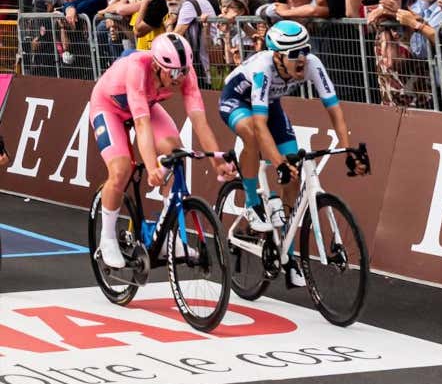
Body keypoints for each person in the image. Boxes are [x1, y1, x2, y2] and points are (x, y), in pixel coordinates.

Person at [217, 21, 367, 287]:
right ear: (277, 56)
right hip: (237, 100)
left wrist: (348, 149)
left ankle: (285, 251)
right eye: (294, 54)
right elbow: (260, 125)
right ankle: (252, 203)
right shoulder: (263, 68)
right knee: (252, 134)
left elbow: (334, 110)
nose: (302, 59)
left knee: (294, 174)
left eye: (305, 50)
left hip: (270, 105)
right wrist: (278, 163)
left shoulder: (312, 64)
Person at [89, 33, 235, 268]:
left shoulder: (185, 74)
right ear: (157, 66)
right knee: (121, 169)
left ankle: (167, 233)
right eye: (174, 73)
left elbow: (200, 123)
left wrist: (217, 162)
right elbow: (142, 124)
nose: (180, 78)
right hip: (108, 107)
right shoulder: (138, 68)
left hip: (145, 105)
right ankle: (107, 239)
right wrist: (152, 167)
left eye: (184, 71)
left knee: (173, 150)